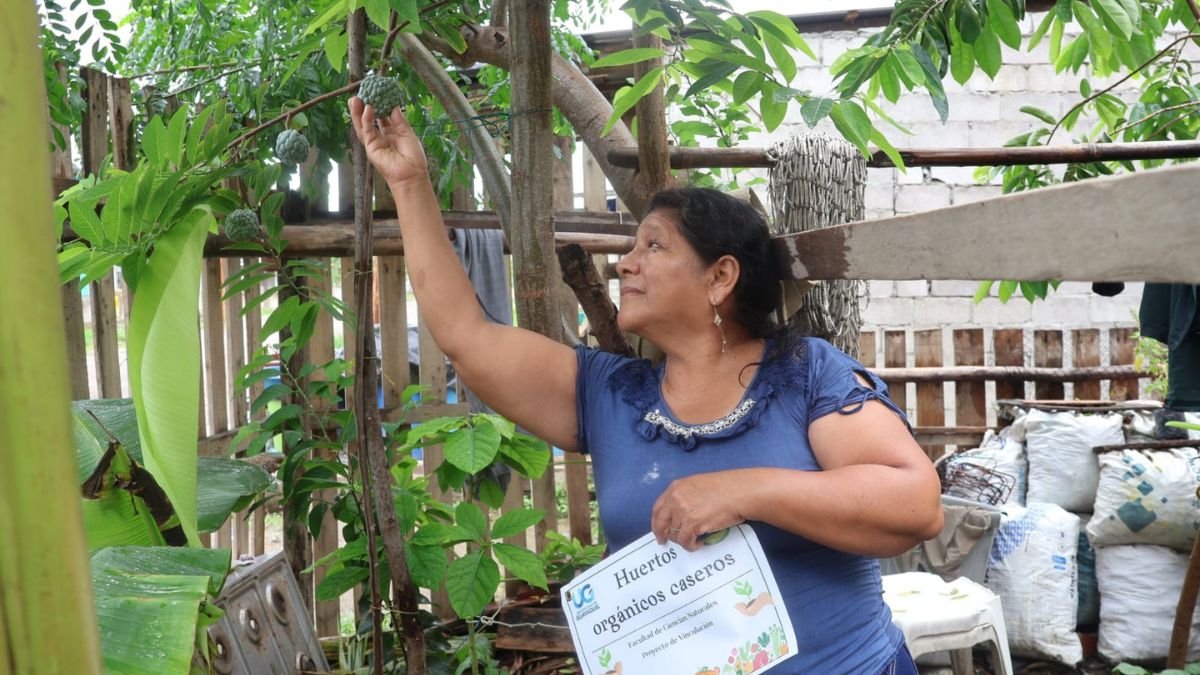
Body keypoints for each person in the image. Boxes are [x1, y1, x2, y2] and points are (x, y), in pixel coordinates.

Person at [349, 97, 944, 674]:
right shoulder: (609, 394)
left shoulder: (806, 373)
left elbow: (913, 504)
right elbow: (464, 333)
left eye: (652, 246)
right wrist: (408, 183)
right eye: (631, 249)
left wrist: (744, 491)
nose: (625, 263)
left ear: (720, 277)